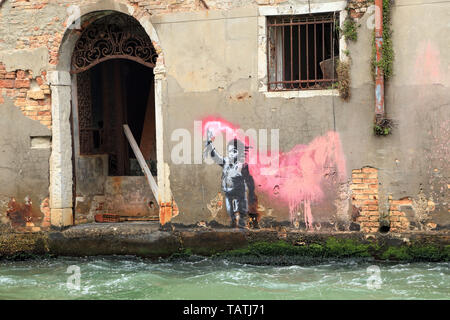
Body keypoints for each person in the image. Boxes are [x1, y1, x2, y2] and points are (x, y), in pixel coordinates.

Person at [204, 130, 257, 228]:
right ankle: (233, 222)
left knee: (241, 208)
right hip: (228, 191)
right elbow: (215, 157)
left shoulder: (242, 165)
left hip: (239, 191)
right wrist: (209, 143)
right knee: (229, 209)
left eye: (234, 152)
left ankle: (242, 224)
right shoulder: (226, 161)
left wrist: (251, 192)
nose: (231, 154)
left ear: (239, 152)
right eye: (229, 152)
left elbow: (249, 179)